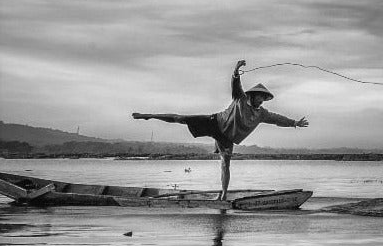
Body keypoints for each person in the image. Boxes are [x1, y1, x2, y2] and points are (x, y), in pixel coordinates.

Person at [132, 59, 308, 200]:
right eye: (260, 96)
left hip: (226, 137)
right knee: (181, 119)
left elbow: (278, 119)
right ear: (252, 95)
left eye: (264, 98)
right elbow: (236, 86)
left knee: (225, 163)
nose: (262, 100)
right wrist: (236, 72)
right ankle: (149, 115)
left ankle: (223, 194)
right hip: (215, 122)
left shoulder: (262, 114)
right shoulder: (240, 99)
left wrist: (294, 123)